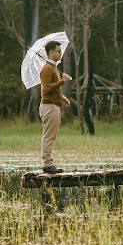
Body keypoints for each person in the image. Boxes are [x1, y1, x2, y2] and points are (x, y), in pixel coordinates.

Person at [39, 41, 71, 174]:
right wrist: (62, 81)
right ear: (51, 53)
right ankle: (47, 164)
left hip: (54, 105)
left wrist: (62, 98)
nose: (60, 53)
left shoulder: (53, 68)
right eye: (58, 50)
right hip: (49, 106)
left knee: (51, 136)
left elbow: (54, 90)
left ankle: (48, 163)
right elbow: (46, 89)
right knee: (49, 136)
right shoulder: (47, 69)